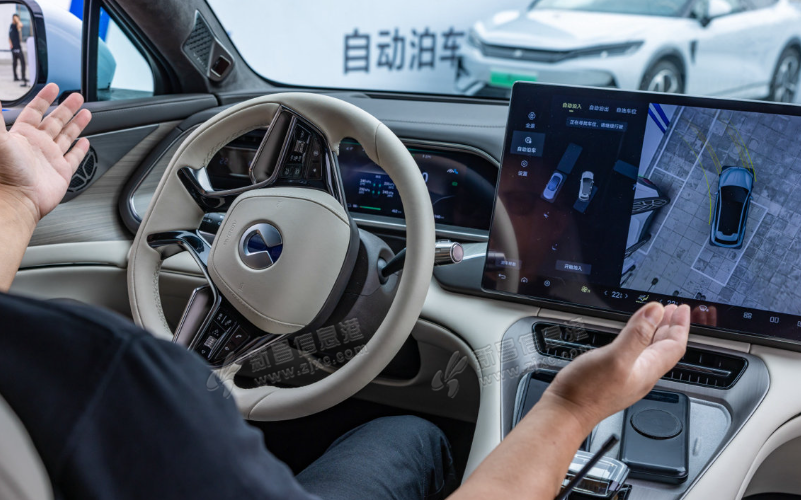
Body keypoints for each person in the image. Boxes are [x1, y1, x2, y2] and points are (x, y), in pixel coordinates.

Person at [0, 83, 691, 500]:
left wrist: (20, 200)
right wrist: (570, 408)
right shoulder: (115, 376)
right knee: (410, 432)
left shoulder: (67, 370)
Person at [8, 13, 26, 86]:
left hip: (18, 47)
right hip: (14, 48)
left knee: (22, 62)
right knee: (15, 63)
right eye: (15, 18)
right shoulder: (11, 26)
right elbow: (9, 37)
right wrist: (10, 44)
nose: (16, 19)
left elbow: (21, 25)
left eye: (17, 18)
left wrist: (17, 20)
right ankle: (15, 77)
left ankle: (23, 77)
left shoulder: (16, 25)